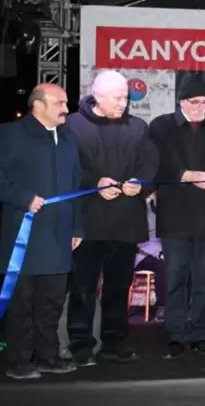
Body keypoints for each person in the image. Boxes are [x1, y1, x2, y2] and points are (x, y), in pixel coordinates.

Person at [0, 83, 83, 379]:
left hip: (60, 234)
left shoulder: (68, 138)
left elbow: (76, 186)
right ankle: (20, 360)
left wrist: (78, 226)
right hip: (25, 234)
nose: (66, 109)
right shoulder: (11, 133)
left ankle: (48, 355)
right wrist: (24, 197)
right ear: (38, 105)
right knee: (22, 301)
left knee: (51, 302)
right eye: (60, 103)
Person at [65, 70, 159, 365]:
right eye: (118, 98)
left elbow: (151, 163)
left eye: (126, 97)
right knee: (83, 285)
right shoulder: (71, 125)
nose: (123, 103)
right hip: (87, 219)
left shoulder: (137, 127)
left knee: (119, 286)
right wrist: (95, 182)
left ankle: (114, 341)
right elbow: (65, 168)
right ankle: (80, 343)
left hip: (125, 220)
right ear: (97, 96)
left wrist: (141, 183)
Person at [148, 79, 205, 358]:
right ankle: (175, 332)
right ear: (182, 103)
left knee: (203, 278)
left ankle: (200, 332)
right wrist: (186, 176)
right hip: (175, 215)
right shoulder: (161, 126)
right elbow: (153, 166)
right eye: (195, 102)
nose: (202, 108)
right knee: (176, 276)